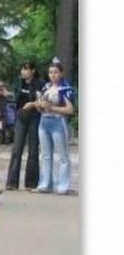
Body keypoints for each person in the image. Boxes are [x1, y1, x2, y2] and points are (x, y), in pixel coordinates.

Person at [32, 60, 75, 194]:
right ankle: (45, 184)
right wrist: (39, 106)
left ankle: (63, 185)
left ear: (61, 73)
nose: (53, 75)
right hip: (44, 121)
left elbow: (70, 110)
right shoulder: (46, 87)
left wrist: (52, 108)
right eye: (51, 72)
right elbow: (41, 106)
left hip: (58, 122)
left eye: (56, 72)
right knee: (45, 155)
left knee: (63, 155)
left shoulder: (65, 89)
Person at [5, 62, 43, 190]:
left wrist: (32, 104)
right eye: (22, 69)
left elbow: (42, 100)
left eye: (26, 69)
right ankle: (12, 182)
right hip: (21, 117)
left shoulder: (39, 84)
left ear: (33, 71)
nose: (23, 72)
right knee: (17, 149)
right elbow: (15, 98)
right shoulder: (18, 83)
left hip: (34, 117)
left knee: (33, 150)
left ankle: (31, 183)